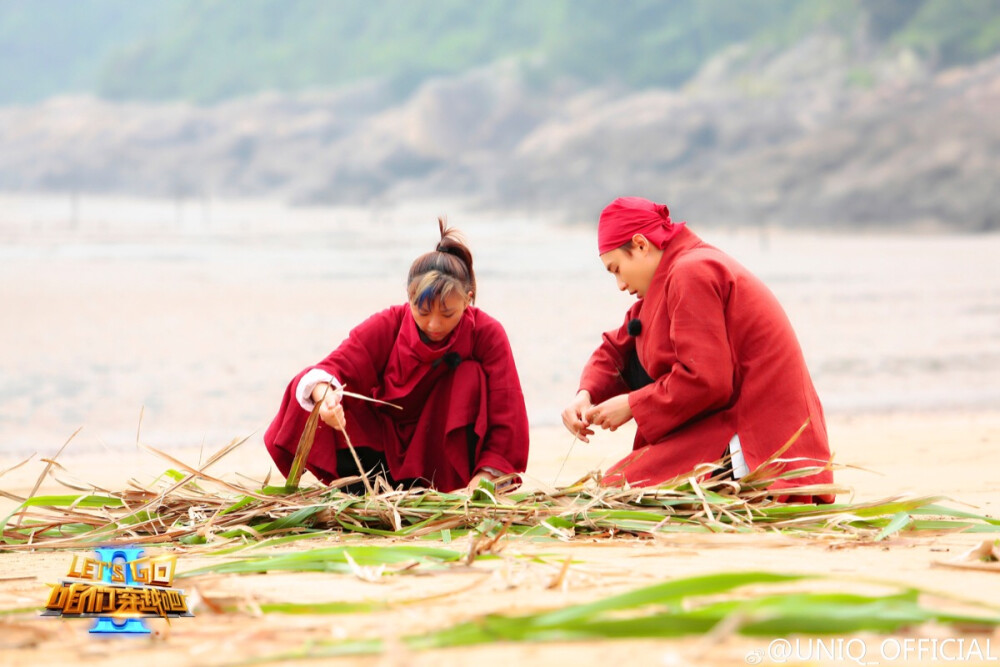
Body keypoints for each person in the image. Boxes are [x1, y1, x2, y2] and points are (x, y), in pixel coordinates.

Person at [561, 197, 833, 501]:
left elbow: (707, 380)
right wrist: (585, 395)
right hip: (733, 419)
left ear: (640, 245)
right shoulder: (670, 277)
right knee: (614, 487)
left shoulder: (692, 271)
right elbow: (617, 348)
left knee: (617, 492)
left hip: (759, 439)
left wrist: (632, 405)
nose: (620, 285)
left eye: (617, 269)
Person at [265, 218, 529, 493]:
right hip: (379, 458)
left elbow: (506, 408)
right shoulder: (389, 323)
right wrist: (327, 399)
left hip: (447, 465)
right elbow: (334, 367)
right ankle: (363, 489)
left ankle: (460, 484)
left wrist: (487, 476)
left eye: (447, 314)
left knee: (469, 375)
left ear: (467, 299)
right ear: (409, 297)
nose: (434, 325)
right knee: (309, 383)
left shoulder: (487, 333)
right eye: (423, 312)